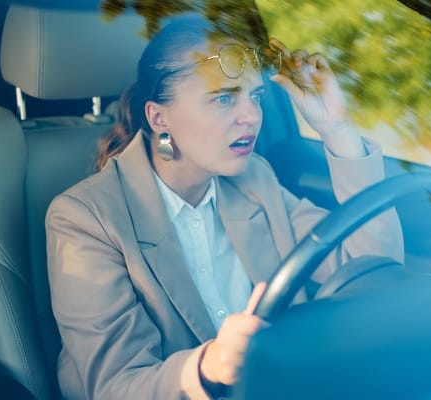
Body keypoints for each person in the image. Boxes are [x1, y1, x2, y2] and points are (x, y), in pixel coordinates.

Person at [46, 10, 403, 400]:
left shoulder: (255, 180)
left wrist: (337, 130)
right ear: (159, 117)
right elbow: (115, 387)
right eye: (223, 98)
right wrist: (208, 366)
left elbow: (374, 267)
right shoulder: (85, 219)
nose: (251, 117)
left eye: (255, 96)